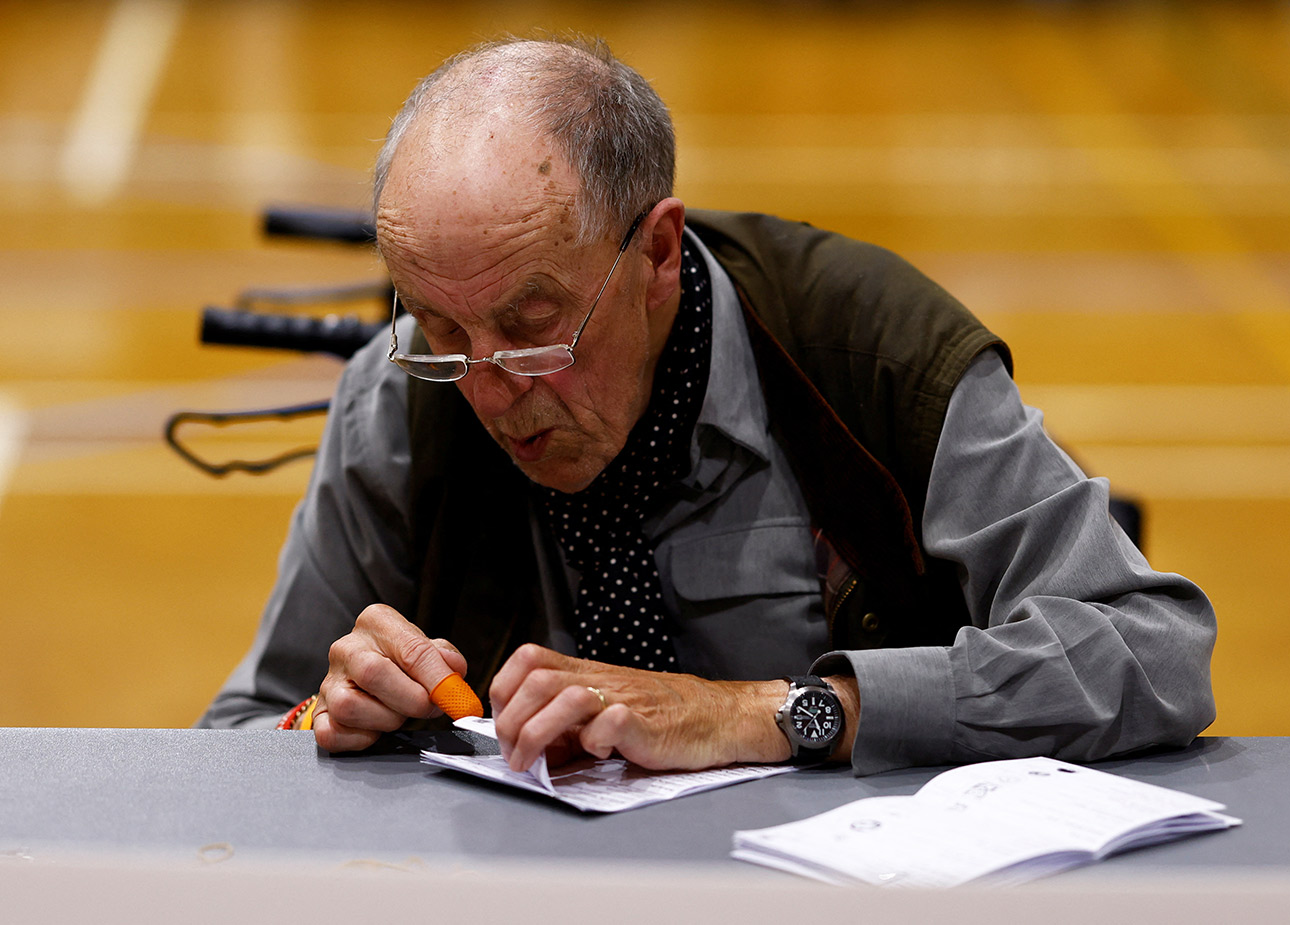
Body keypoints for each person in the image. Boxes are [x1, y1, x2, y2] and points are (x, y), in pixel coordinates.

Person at [198, 37, 1216, 777]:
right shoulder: (398, 398)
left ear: (654, 253)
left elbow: (1150, 649)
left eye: (532, 323)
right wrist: (330, 719)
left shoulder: (865, 350)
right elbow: (240, 736)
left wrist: (771, 712)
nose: (491, 386)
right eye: (440, 328)